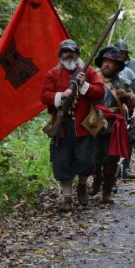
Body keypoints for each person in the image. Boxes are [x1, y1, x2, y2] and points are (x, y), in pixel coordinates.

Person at [41, 39, 105, 212]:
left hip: (83, 126)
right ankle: (67, 197)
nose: (68, 55)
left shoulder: (89, 72)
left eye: (72, 52)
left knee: (85, 162)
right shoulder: (52, 74)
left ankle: (83, 186)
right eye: (65, 52)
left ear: (77, 54)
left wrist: (84, 85)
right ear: (60, 55)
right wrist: (61, 95)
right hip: (61, 127)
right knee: (62, 162)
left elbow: (100, 92)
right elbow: (45, 96)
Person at [90, 46, 135, 203]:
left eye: (111, 62)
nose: (107, 65)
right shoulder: (93, 78)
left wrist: (128, 97)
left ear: (117, 65)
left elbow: (132, 104)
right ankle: (96, 182)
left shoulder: (123, 83)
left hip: (114, 125)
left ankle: (107, 191)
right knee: (95, 157)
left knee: (111, 159)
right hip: (94, 121)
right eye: (105, 61)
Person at [114, 39, 135, 179]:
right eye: (118, 52)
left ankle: (126, 167)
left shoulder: (134, 66)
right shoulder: (107, 67)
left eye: (123, 52)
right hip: (113, 108)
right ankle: (112, 170)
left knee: (130, 138)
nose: (121, 54)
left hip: (131, 106)